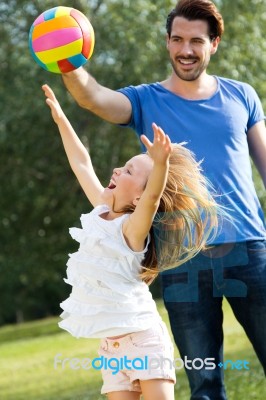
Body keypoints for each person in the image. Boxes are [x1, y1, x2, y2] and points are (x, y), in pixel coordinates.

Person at [61, 1, 266, 399]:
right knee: (205, 384)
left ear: (214, 44)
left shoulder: (242, 95)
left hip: (249, 249)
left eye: (196, 40)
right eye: (177, 39)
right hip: (181, 257)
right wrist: (68, 59)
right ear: (168, 42)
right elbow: (94, 99)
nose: (185, 49)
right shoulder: (145, 99)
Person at [42, 83, 220, 400]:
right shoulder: (100, 211)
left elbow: (153, 199)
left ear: (137, 197)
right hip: (112, 349)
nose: (115, 169)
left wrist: (162, 164)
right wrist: (61, 120)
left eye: (127, 171)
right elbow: (82, 163)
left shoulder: (132, 229)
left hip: (143, 340)